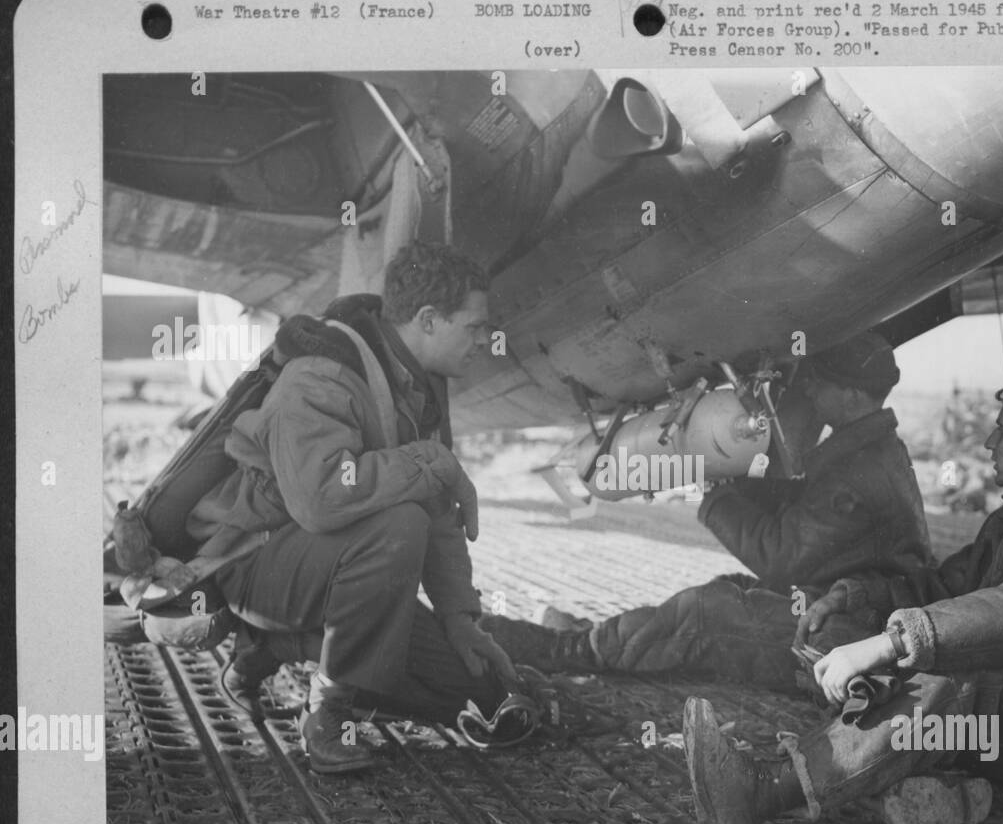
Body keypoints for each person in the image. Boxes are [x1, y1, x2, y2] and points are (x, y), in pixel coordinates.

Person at [684, 366, 1003, 824]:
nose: (988, 444)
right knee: (841, 630)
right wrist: (857, 597)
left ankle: (761, 791)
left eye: (1001, 431)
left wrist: (892, 643)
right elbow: (947, 587)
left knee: (961, 664)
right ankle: (900, 770)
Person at [186, 242, 525, 773]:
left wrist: (461, 620)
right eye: (475, 326)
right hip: (254, 559)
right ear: (429, 320)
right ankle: (329, 710)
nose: (487, 339)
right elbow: (321, 499)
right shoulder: (322, 374)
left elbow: (434, 505)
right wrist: (428, 460)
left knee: (473, 688)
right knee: (399, 523)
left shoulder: (419, 380)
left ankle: (275, 645)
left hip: (322, 565)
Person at [483, 336, 933, 685]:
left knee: (706, 612)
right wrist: (732, 477)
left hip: (847, 634)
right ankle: (600, 638)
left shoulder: (858, 471)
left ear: (854, 396)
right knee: (728, 588)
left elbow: (781, 558)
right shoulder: (871, 451)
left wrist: (715, 495)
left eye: (823, 382)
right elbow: (799, 519)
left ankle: (567, 650)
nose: (810, 389)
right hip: (848, 606)